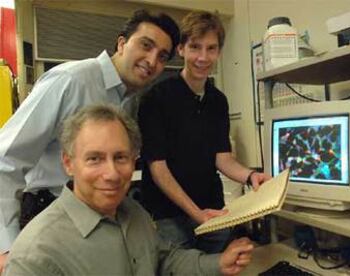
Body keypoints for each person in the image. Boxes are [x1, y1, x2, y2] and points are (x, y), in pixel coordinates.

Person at [0, 9, 180, 271]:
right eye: (146, 45)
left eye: (162, 56)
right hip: (50, 214)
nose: (152, 61)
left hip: (97, 219)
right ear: (121, 43)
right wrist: (7, 246)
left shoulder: (129, 100)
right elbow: (6, 158)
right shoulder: (71, 80)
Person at [3, 104, 254, 276]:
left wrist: (218, 263)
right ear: (68, 163)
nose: (112, 174)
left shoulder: (133, 212)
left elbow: (164, 259)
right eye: (94, 159)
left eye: (121, 157)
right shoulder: (35, 254)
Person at [138, 11, 272, 254]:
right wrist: (196, 213)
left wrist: (251, 176)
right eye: (195, 47)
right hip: (169, 216)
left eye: (211, 48)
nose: (203, 57)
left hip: (213, 210)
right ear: (181, 49)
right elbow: (158, 169)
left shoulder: (218, 101)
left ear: (219, 52)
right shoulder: (156, 98)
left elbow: (223, 159)